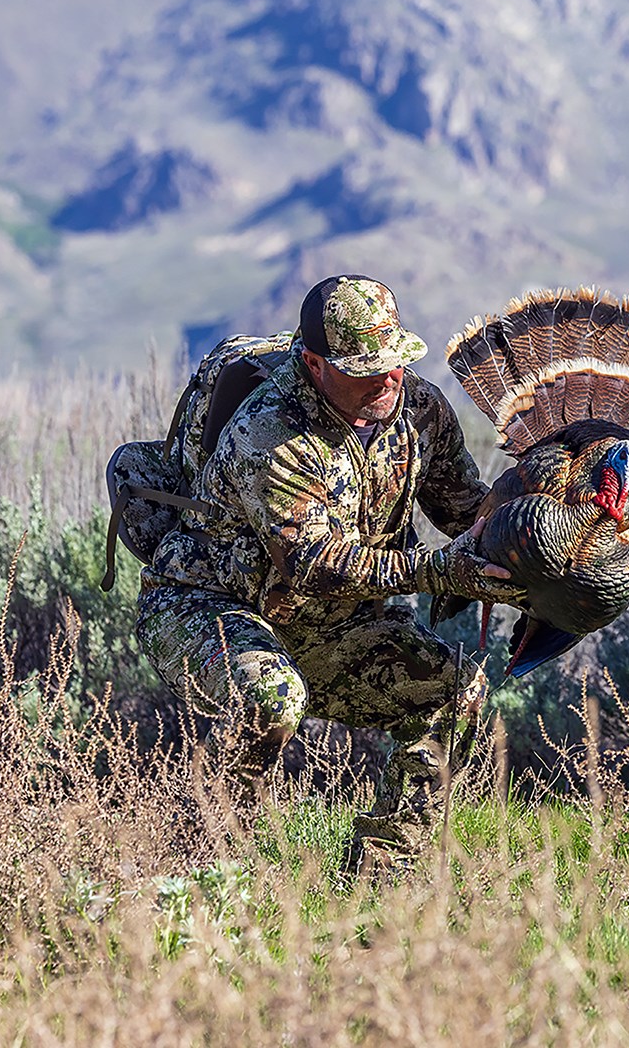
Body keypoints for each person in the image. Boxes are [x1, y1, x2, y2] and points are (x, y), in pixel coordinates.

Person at [135, 274, 522, 870]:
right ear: (315, 365)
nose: (387, 379)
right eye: (365, 368)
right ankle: (198, 871)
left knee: (458, 692)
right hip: (210, 611)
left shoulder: (419, 412)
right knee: (271, 699)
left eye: (393, 362)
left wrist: (552, 517)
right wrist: (442, 572)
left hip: (322, 627)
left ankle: (382, 875)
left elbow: (465, 512)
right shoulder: (271, 432)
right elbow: (318, 565)